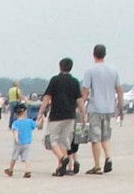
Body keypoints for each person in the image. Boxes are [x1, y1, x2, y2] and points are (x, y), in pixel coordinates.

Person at [38, 57, 83, 175]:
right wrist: (84, 113)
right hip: (70, 115)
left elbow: (47, 97)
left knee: (51, 140)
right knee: (64, 141)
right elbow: (80, 99)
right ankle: (61, 168)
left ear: (60, 66)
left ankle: (63, 158)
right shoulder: (74, 81)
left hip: (56, 115)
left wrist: (41, 112)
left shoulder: (55, 80)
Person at [79, 43, 120, 174]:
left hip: (95, 107)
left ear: (94, 54)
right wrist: (119, 105)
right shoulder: (113, 70)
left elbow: (85, 91)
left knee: (95, 137)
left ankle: (97, 165)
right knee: (105, 136)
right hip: (109, 107)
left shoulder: (90, 71)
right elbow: (119, 89)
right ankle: (108, 157)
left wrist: (80, 107)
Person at [5, 101, 37, 177]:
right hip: (27, 143)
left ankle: (10, 170)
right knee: (27, 158)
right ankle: (28, 171)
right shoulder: (29, 121)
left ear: (16, 113)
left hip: (18, 143)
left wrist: (16, 138)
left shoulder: (16, 123)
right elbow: (36, 126)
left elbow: (15, 131)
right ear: (26, 112)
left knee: (14, 157)